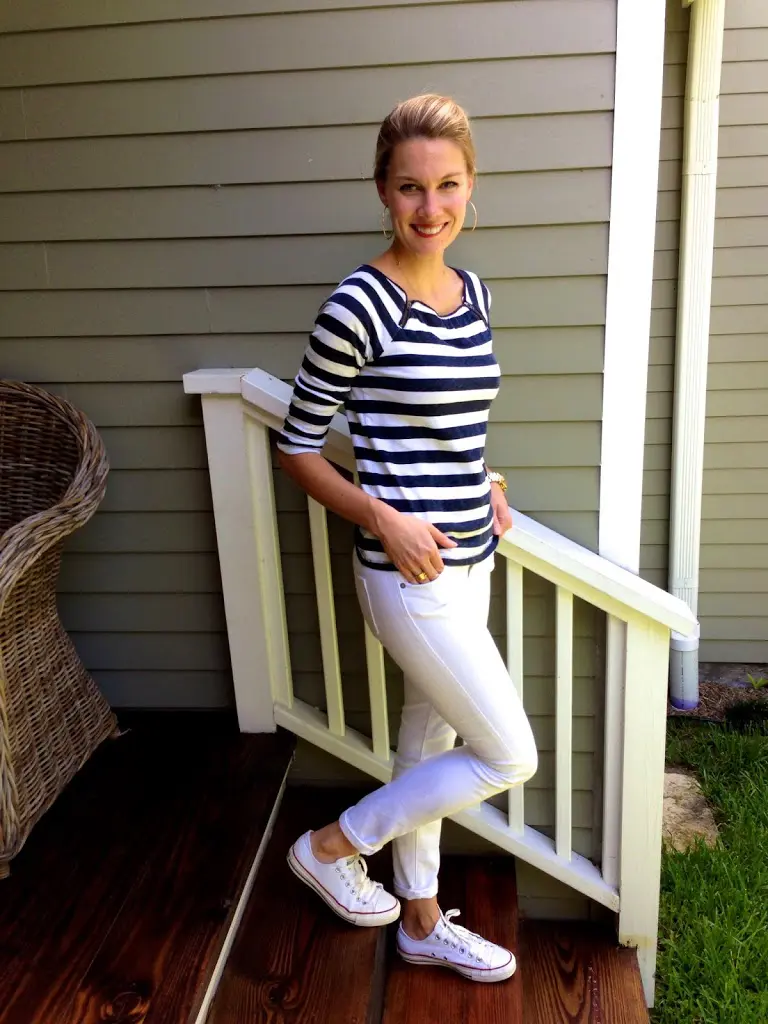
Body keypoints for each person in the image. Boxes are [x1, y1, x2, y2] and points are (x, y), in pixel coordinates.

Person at [276, 94, 538, 984]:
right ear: (383, 191)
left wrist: (486, 478)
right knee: (508, 754)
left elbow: (453, 421)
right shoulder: (358, 304)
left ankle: (420, 920)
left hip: (473, 558)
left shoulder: (476, 294)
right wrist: (382, 516)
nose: (431, 208)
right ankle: (330, 845)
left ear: (472, 185)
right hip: (406, 573)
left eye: (448, 185)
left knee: (429, 747)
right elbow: (297, 448)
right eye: (411, 188)